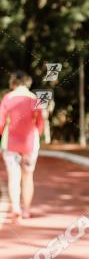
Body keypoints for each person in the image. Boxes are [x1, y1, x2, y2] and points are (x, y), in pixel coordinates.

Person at [0, 70, 45, 222]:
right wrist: (36, 135)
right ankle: (26, 209)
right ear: (27, 82)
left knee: (14, 176)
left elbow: (0, 122)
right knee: (28, 176)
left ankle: (16, 208)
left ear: (13, 82)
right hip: (30, 143)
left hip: (10, 142)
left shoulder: (7, 98)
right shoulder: (35, 99)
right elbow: (40, 123)